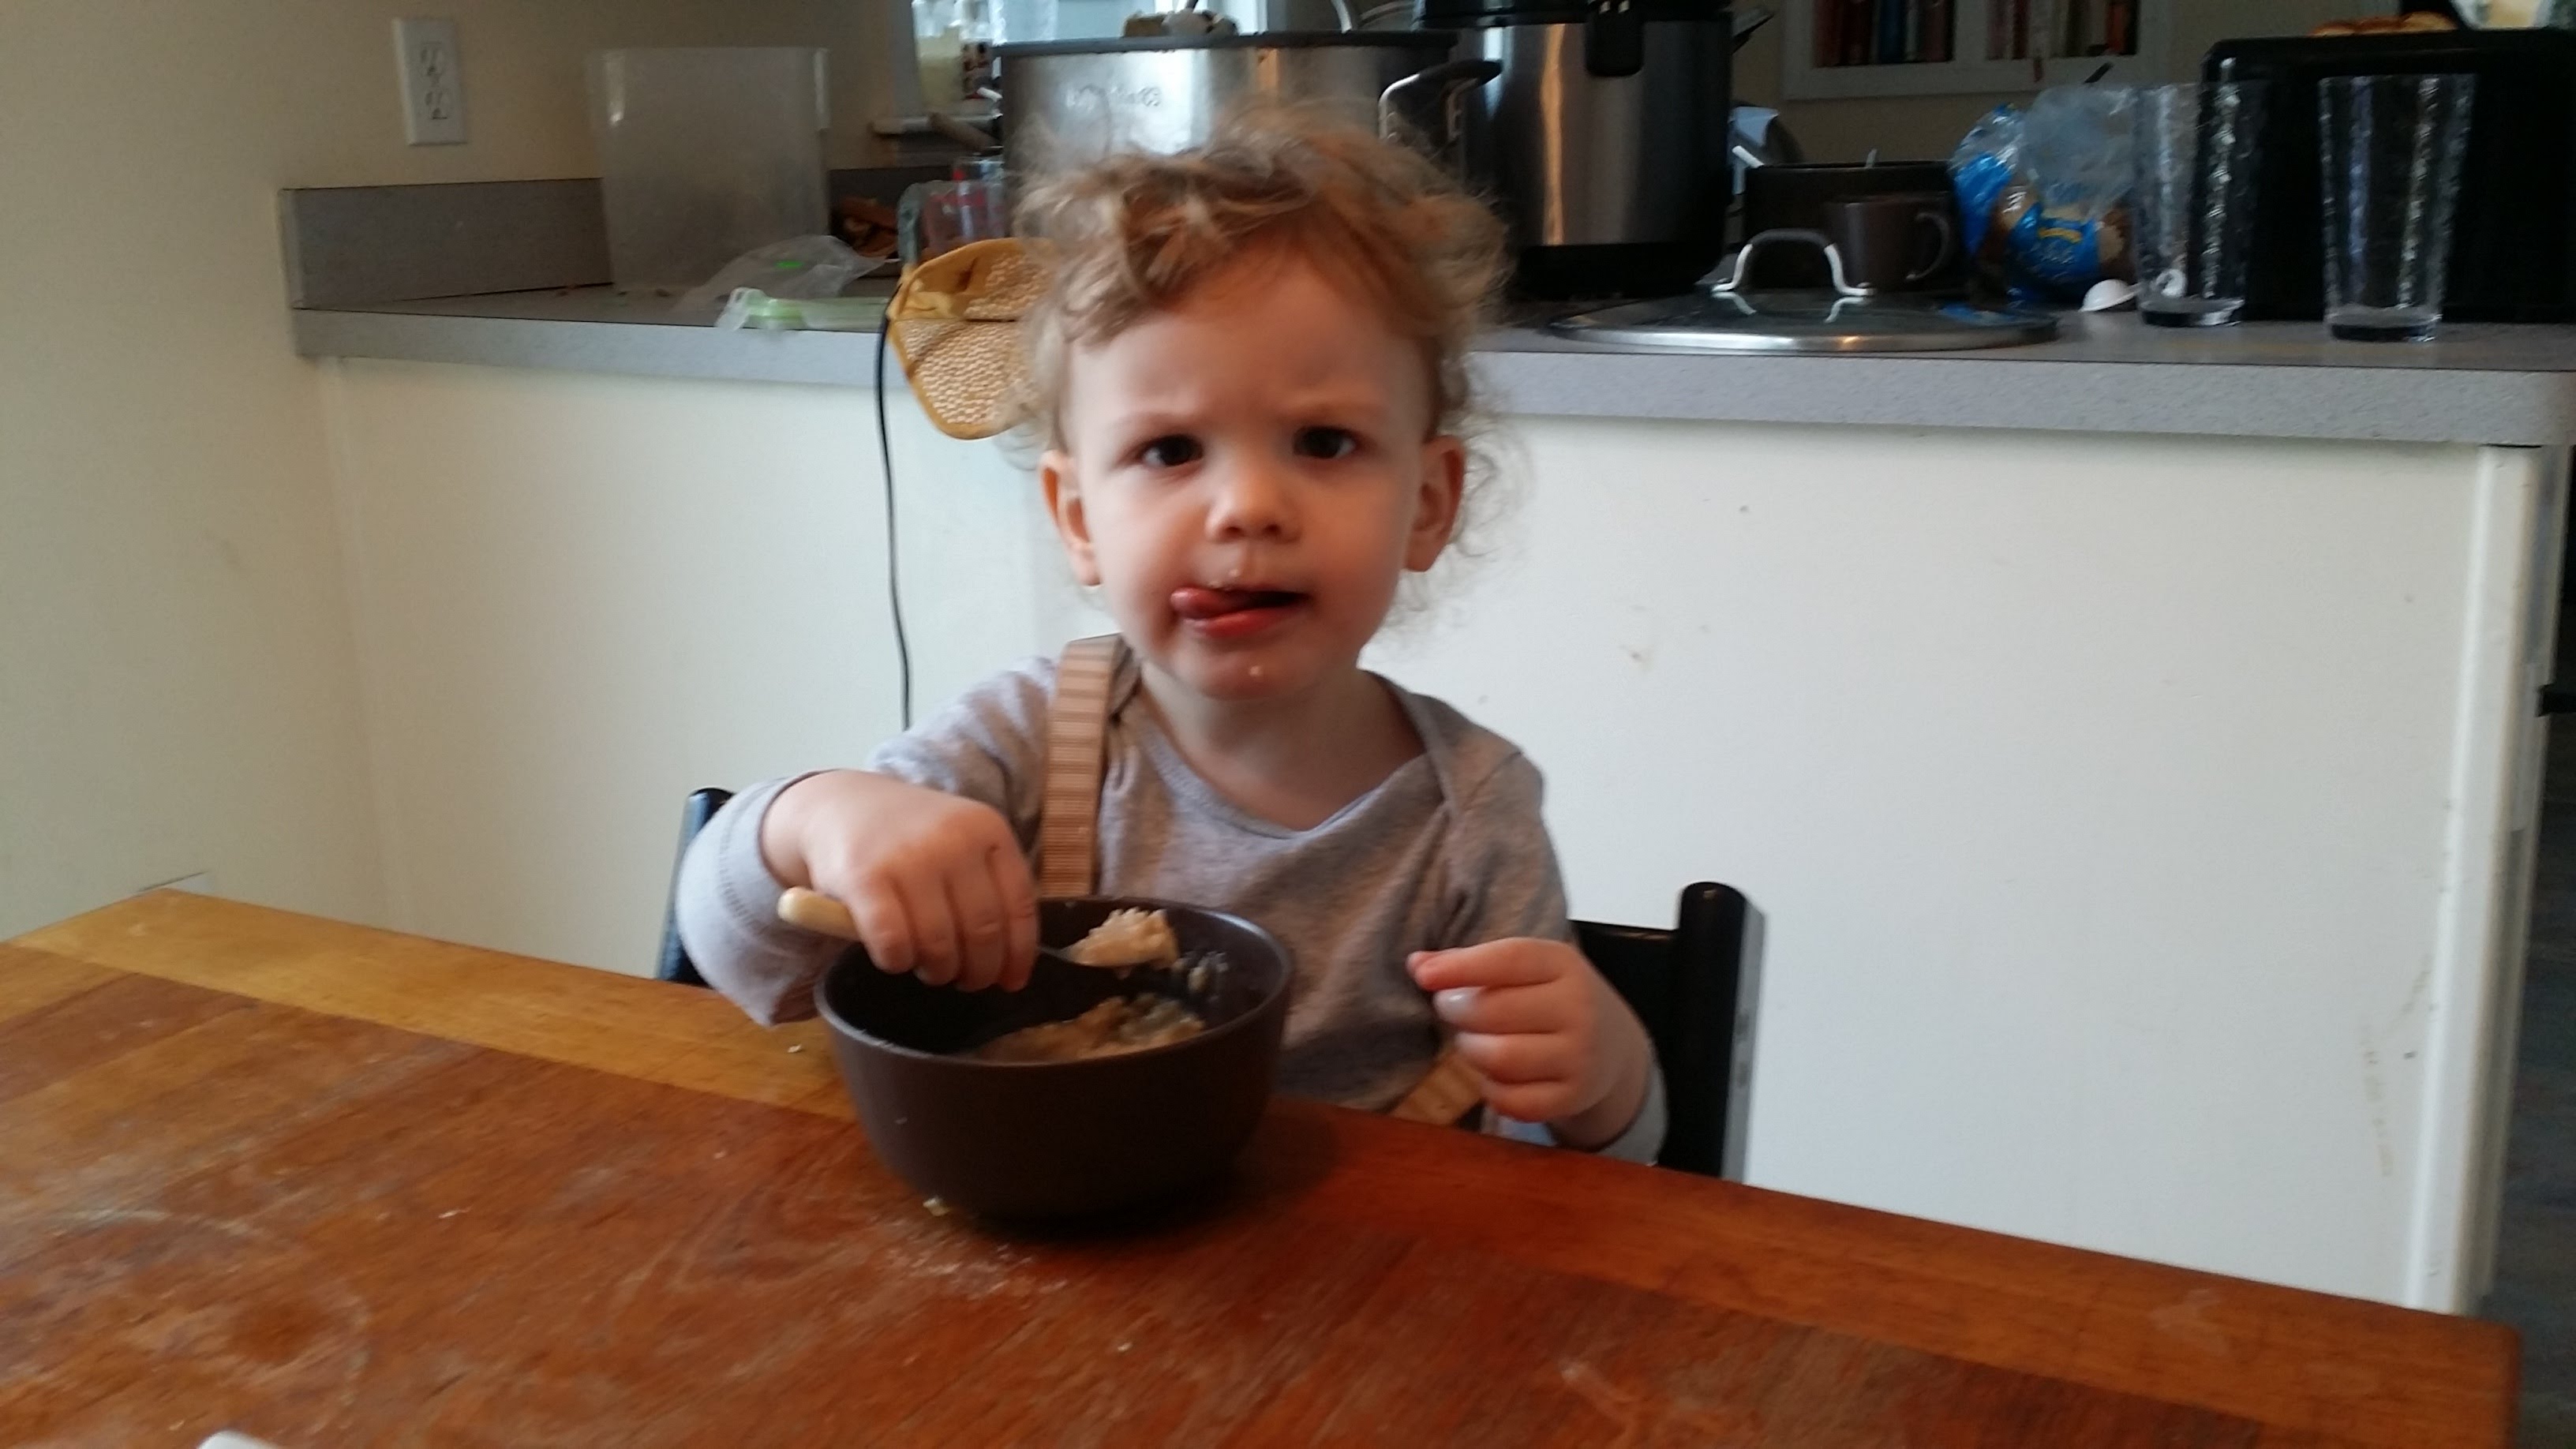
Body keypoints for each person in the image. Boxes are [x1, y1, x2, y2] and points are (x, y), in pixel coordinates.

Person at [675, 113, 1662, 1160]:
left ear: (1427, 504)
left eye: (1324, 442)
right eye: (1171, 450)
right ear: (1079, 520)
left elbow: (1566, 1179)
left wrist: (1607, 1083)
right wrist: (816, 819)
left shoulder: (1471, 817)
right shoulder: (1027, 742)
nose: (1247, 507)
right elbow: (748, 965)